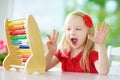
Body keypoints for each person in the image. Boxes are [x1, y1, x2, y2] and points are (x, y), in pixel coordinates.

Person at [45, 11, 110, 75]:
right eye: (68, 29)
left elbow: (103, 71)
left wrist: (101, 45)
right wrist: (50, 53)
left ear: (88, 33)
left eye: (78, 29)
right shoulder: (63, 53)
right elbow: (43, 67)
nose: (72, 32)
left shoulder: (91, 54)